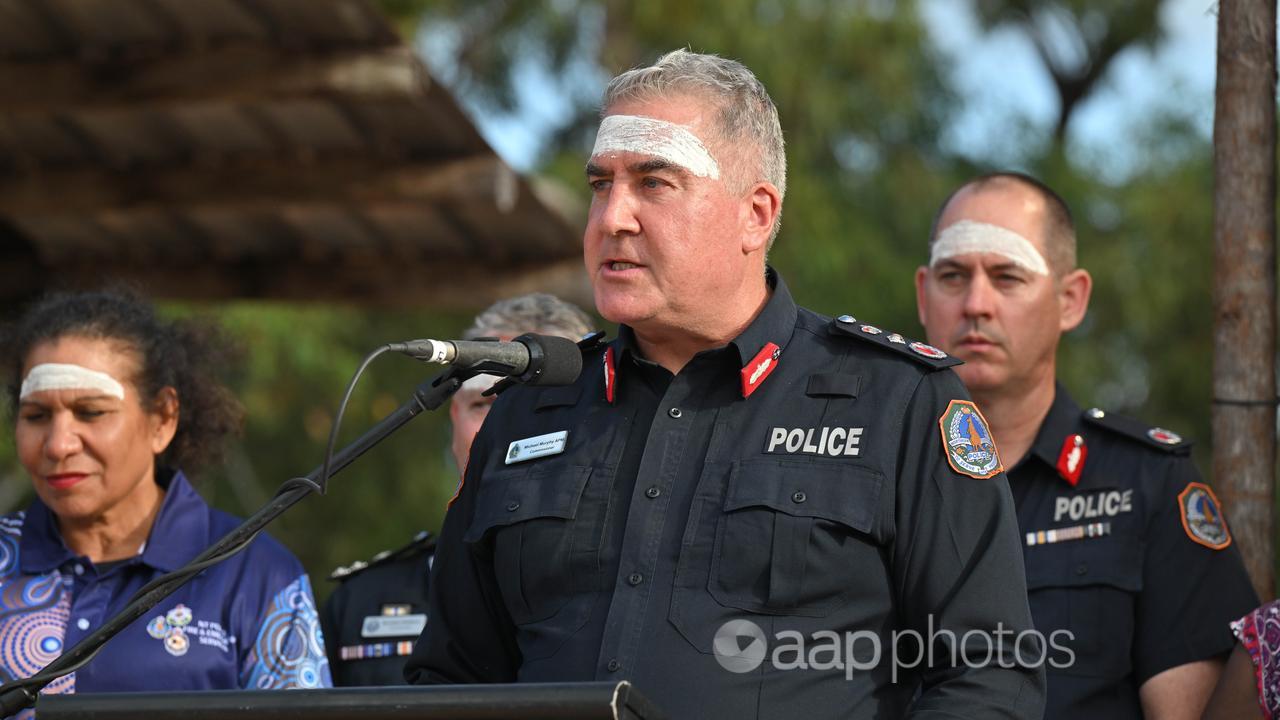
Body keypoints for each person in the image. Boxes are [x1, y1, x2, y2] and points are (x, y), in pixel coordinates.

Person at [405, 49, 1045, 719]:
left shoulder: (901, 403)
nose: (611, 218)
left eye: (654, 182)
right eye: (601, 185)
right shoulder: (528, 412)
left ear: (757, 215)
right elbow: (452, 679)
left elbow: (990, 677)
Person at [914, 172, 1259, 719]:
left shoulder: (1149, 485)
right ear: (923, 295)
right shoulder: (869, 476)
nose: (976, 303)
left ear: (1070, 300)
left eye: (1007, 277)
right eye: (954, 276)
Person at [0, 289, 330, 713]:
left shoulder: (257, 575)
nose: (59, 444)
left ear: (162, 419)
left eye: (91, 412)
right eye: (36, 416)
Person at [320, 293, 592, 686]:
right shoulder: (360, 602)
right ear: (453, 417)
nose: (503, 428)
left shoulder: (620, 592)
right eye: (484, 405)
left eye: (540, 407)